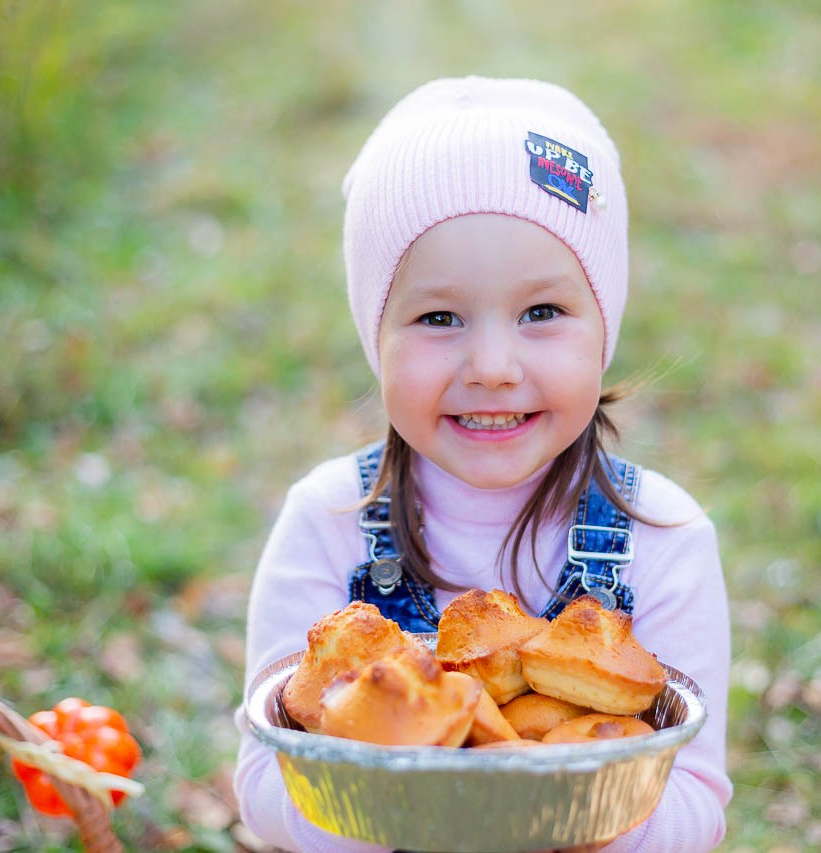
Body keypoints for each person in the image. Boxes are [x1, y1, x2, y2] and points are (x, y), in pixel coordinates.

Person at [233, 75, 731, 852]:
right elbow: (269, 777)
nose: (493, 365)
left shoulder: (664, 536)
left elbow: (695, 797)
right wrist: (407, 818)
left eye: (542, 313)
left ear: (605, 325)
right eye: (439, 317)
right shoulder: (326, 521)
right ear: (377, 336)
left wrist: (577, 822)